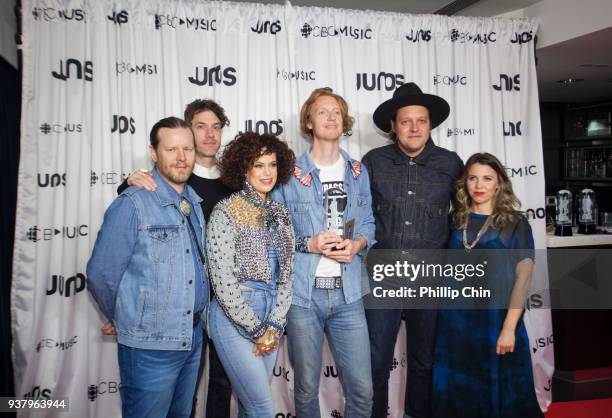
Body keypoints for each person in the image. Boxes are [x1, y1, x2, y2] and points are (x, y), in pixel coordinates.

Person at [117, 99, 233, 418]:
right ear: (186, 131)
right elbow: (133, 210)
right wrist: (128, 181)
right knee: (183, 390)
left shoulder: (236, 178)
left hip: (225, 302)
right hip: (178, 309)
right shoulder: (170, 176)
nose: (209, 134)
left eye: (216, 126)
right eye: (200, 126)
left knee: (222, 383)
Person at [87, 117, 208, 418]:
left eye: (188, 149)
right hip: (150, 346)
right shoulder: (132, 204)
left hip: (192, 339)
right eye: (171, 149)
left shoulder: (193, 202)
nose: (181, 158)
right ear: (154, 153)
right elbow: (101, 273)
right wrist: (124, 314)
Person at [272, 87, 376, 417]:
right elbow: (276, 234)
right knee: (305, 387)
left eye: (336, 112)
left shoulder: (359, 171)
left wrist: (357, 244)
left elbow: (368, 223)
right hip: (304, 296)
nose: (330, 117)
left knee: (362, 389)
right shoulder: (288, 173)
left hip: (349, 295)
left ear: (344, 121)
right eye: (322, 112)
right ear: (309, 121)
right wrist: (309, 244)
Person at [362, 82, 463, 418]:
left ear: (430, 124)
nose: (414, 127)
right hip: (382, 277)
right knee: (376, 360)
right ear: (393, 126)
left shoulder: (450, 163)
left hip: (429, 278)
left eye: (421, 120)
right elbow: (359, 216)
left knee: (423, 361)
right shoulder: (372, 162)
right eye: (406, 121)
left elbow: (463, 219)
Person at [431, 152, 543, 418]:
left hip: (495, 321)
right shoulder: (454, 220)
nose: (479, 186)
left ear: (498, 184)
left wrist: (508, 328)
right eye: (473, 178)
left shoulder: (515, 224)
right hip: (454, 325)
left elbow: (523, 279)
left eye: (487, 178)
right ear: (464, 183)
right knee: (456, 390)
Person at [206, 132, 296, 416]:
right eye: (259, 165)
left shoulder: (280, 212)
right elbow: (221, 281)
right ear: (243, 168)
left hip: (271, 317)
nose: (267, 172)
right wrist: (257, 329)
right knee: (262, 408)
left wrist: (274, 323)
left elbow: (286, 273)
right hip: (234, 318)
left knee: (250, 406)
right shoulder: (226, 211)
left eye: (272, 164)